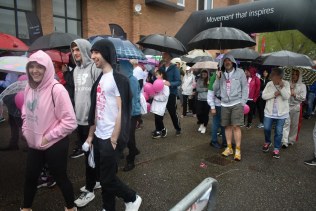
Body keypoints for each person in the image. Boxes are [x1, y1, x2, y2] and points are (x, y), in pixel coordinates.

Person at [87, 39, 142, 211]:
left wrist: (114, 138)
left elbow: (121, 111)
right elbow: (96, 109)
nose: (93, 56)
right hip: (99, 135)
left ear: (105, 53)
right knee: (104, 176)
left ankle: (132, 198)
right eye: (92, 53)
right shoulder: (100, 80)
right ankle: (108, 207)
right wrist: (91, 135)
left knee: (107, 179)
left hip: (110, 137)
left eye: (96, 52)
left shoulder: (119, 79)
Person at [21, 50, 77, 211]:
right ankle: (26, 208)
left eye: (40, 66)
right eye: (31, 66)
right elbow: (25, 110)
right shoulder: (28, 87)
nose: (35, 70)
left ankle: (70, 207)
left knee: (60, 178)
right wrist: (26, 130)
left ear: (48, 68)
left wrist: (47, 138)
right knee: (30, 177)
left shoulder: (57, 90)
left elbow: (70, 122)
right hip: (34, 142)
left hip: (55, 143)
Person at [69, 39, 102, 208]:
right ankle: (96, 180)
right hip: (79, 119)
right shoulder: (75, 70)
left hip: (92, 121)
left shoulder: (94, 69)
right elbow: (77, 96)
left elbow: (99, 97)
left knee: (89, 155)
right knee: (90, 155)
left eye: (78, 49)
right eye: (73, 50)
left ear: (86, 50)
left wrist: (94, 119)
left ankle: (89, 190)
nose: (75, 53)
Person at [213, 54, 248, 161]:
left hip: (237, 103)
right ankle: (229, 148)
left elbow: (245, 87)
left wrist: (243, 102)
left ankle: (237, 149)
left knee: (236, 126)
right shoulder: (221, 74)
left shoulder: (240, 72)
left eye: (229, 60)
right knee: (226, 127)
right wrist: (217, 78)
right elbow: (215, 89)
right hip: (224, 104)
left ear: (233, 62)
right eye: (225, 61)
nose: (227, 62)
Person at [261, 67, 290, 159]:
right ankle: (268, 141)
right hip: (269, 112)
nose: (274, 79)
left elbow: (287, 96)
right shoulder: (269, 84)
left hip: (282, 113)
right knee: (266, 128)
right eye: (273, 77)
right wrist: (274, 94)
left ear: (280, 77)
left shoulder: (286, 84)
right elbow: (263, 96)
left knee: (278, 131)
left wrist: (281, 88)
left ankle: (276, 148)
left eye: (276, 77)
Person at [119, 60, 141, 172]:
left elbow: (131, 100)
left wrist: (127, 115)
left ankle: (131, 159)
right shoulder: (124, 79)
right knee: (125, 135)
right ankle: (133, 150)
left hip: (132, 113)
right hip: (127, 112)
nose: (117, 69)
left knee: (129, 138)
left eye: (119, 67)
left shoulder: (131, 80)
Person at [282, 69, 306, 148]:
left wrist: (295, 95)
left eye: (296, 74)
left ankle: (291, 140)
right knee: (286, 123)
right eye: (293, 74)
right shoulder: (287, 83)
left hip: (296, 107)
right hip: (287, 106)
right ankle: (284, 141)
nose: (294, 76)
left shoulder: (302, 86)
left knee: (294, 125)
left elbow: (303, 98)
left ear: (299, 76)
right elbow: (284, 94)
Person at [159, 52, 182, 136]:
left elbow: (179, 81)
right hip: (161, 93)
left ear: (170, 57)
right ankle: (160, 129)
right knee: (160, 112)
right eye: (163, 55)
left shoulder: (174, 68)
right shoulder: (161, 68)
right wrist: (155, 74)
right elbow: (157, 79)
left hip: (171, 93)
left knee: (172, 112)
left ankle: (178, 128)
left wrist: (170, 84)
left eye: (165, 54)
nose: (163, 56)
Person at [208, 72, 227, 149]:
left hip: (225, 105)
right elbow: (210, 94)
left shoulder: (225, 75)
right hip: (217, 105)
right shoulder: (214, 77)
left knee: (224, 124)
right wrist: (212, 107)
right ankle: (214, 141)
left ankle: (225, 142)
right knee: (216, 124)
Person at [151, 69, 170, 139]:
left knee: (159, 118)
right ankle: (158, 130)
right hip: (156, 104)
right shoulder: (156, 82)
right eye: (155, 75)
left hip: (161, 105)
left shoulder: (165, 84)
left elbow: (165, 96)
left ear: (161, 74)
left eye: (157, 75)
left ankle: (163, 129)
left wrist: (155, 97)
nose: (156, 76)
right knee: (156, 118)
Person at [196, 69, 210, 134]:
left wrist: (209, 85)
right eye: (203, 73)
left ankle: (204, 126)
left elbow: (211, 89)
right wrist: (205, 89)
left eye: (205, 73)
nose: (204, 75)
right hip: (200, 99)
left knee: (205, 114)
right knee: (198, 113)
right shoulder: (199, 80)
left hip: (207, 99)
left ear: (207, 74)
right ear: (201, 74)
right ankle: (201, 123)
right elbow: (197, 89)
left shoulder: (209, 80)